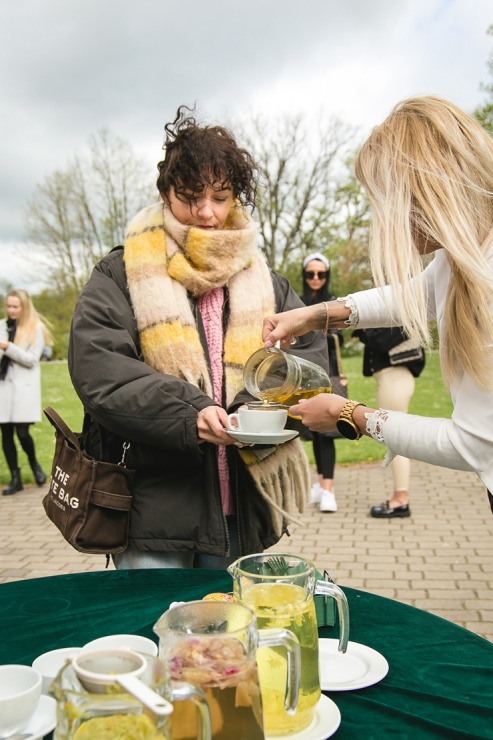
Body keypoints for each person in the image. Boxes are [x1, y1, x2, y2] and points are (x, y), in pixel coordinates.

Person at [68, 106, 329, 570]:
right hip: (153, 512)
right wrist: (191, 413)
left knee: (229, 641)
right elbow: (101, 371)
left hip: (243, 511)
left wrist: (258, 408)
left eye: (221, 197)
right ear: (166, 192)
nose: (206, 212)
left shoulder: (267, 280)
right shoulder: (119, 272)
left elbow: (311, 362)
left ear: (235, 200)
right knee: (154, 637)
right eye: (190, 196)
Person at [262, 96, 493, 514]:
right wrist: (318, 314)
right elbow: (419, 293)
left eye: (385, 201)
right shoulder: (463, 251)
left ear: (426, 194)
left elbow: (474, 444)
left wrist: (351, 414)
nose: (384, 219)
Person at [352, 327, 425, 518]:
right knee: (394, 438)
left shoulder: (399, 316)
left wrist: (360, 329)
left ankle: (401, 500)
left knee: (395, 439)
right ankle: (400, 497)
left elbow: (380, 341)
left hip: (395, 378)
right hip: (391, 378)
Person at [300, 252, 343, 512]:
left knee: (326, 431)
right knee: (312, 430)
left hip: (329, 374)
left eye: (321, 274)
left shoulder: (336, 302)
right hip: (305, 374)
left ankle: (328, 489)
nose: (316, 278)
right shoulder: (298, 301)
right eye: (310, 274)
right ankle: (319, 483)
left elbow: (341, 336)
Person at [0, 289, 51, 495]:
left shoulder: (35, 329)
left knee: (22, 432)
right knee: (6, 434)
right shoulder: (1, 326)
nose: (11, 310)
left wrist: (8, 347)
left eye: (15, 306)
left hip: (23, 389)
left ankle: (35, 465)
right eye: (9, 306)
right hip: (3, 388)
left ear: (24, 307)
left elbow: (31, 359)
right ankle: (15, 477)